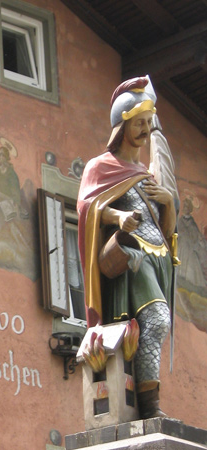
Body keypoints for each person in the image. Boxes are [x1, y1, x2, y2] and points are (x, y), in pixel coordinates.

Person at [77, 76, 177, 419]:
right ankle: (151, 408)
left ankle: (146, 403)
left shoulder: (147, 176)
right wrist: (117, 217)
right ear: (121, 126)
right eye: (138, 123)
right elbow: (87, 209)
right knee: (157, 319)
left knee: (148, 329)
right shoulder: (100, 167)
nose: (145, 130)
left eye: (148, 123)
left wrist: (170, 204)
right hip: (130, 260)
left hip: (156, 257)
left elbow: (165, 232)